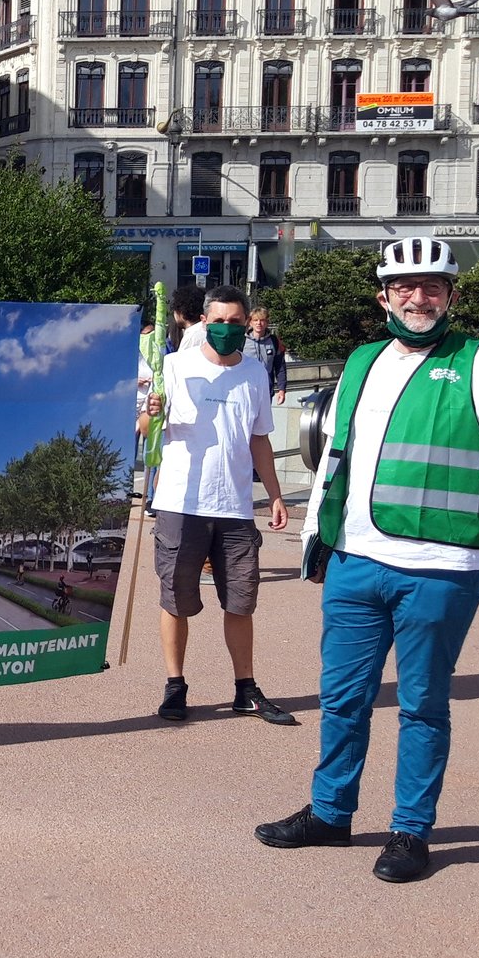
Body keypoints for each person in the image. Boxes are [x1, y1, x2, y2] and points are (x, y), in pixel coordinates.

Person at [255, 236, 479, 883]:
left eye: (432, 286)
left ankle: (409, 831)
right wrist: (320, 538)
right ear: (384, 297)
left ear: (451, 295)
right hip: (356, 562)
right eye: (406, 287)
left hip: (440, 568)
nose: (419, 296)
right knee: (342, 698)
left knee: (423, 704)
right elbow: (339, 457)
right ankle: (331, 813)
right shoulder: (364, 360)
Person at [143, 284, 294, 726]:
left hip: (234, 508)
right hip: (180, 503)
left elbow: (259, 438)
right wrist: (151, 412)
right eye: (219, 321)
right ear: (204, 322)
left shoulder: (254, 374)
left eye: (235, 322)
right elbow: (143, 427)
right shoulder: (171, 367)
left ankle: (245, 689)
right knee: (175, 599)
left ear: (246, 325)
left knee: (241, 602)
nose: (227, 328)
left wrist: (276, 494)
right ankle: (175, 685)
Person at [243, 307, 288, 405]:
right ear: (250, 322)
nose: (258, 323)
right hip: (245, 392)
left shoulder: (274, 341)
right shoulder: (242, 341)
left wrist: (282, 389)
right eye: (255, 320)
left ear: (267, 323)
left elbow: (280, 366)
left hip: (266, 392)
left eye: (262, 320)